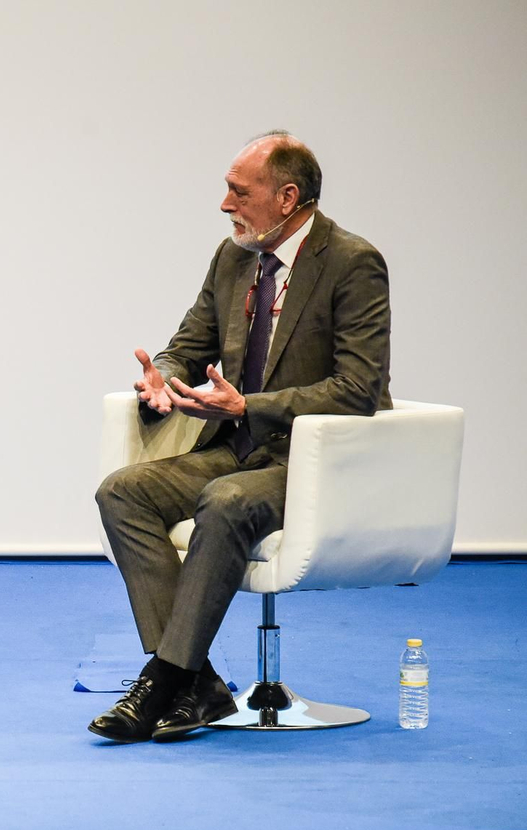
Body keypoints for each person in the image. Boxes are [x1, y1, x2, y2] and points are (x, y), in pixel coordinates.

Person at [91, 130, 391, 743]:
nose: (226, 204)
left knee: (225, 501)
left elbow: (359, 388)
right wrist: (162, 383)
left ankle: (164, 679)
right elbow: (186, 346)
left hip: (309, 458)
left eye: (238, 191)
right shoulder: (233, 260)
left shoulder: (352, 262)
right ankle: (198, 683)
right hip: (235, 448)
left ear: (286, 197)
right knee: (122, 491)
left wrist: (251, 404)